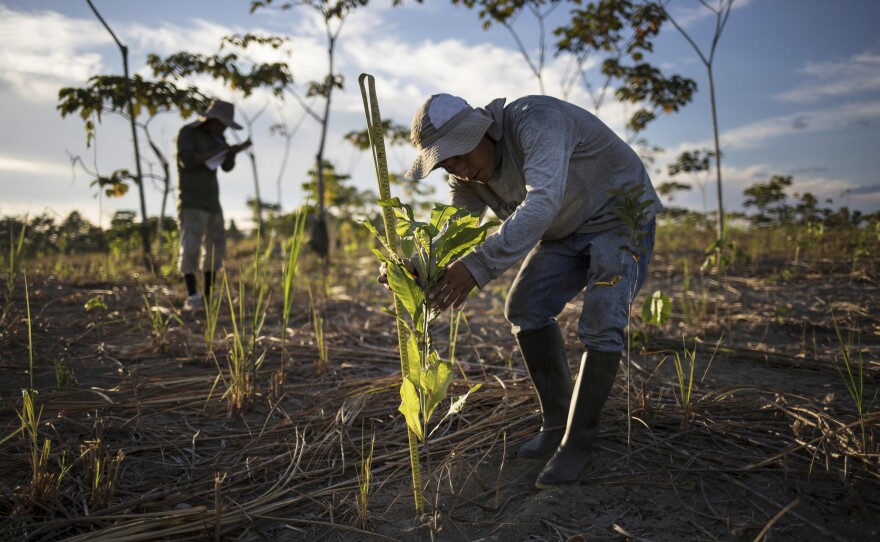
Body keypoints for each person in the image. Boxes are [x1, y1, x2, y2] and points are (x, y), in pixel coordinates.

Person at [401, 93, 662, 488]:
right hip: (566, 230)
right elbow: (453, 230)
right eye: (445, 162)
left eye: (458, 153)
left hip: (619, 218)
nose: (456, 167)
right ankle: (557, 423)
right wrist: (415, 267)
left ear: (482, 130)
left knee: (601, 321)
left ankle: (579, 443)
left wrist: (478, 267)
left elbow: (542, 202)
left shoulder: (535, 120)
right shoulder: (467, 178)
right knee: (524, 308)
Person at [176, 99, 251, 311]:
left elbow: (226, 167)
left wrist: (231, 152)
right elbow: (188, 160)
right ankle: (192, 295)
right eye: (222, 123)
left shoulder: (219, 138)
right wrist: (219, 151)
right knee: (190, 247)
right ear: (211, 119)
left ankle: (208, 296)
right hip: (192, 201)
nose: (224, 128)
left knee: (215, 248)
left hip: (212, 202)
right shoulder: (188, 133)